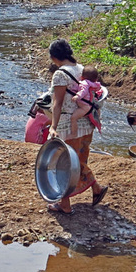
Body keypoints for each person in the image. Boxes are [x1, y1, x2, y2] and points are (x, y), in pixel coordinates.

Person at [45, 39, 108, 213]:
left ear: (54, 57)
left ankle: (64, 204)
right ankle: (96, 188)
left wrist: (53, 127)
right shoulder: (81, 69)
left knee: (64, 164)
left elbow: (57, 104)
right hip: (86, 123)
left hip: (68, 126)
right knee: (78, 161)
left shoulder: (60, 74)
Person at [68, 65, 102, 136]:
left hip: (84, 107)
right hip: (90, 104)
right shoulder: (94, 84)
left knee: (73, 118)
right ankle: (99, 117)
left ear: (82, 77)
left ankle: (74, 133)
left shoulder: (84, 83)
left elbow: (83, 91)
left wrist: (77, 96)